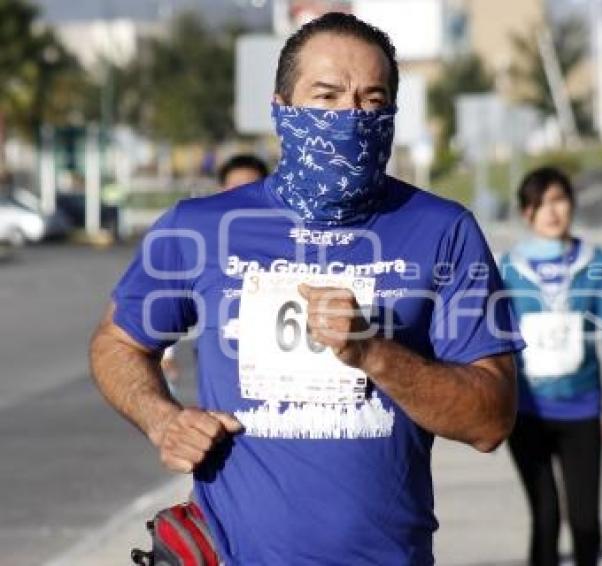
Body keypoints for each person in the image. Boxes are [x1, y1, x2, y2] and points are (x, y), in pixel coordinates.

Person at [89, 12, 524, 565]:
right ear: (281, 108)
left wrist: (373, 352)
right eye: (326, 96)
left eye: (372, 99)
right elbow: (117, 343)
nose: (351, 116)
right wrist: (162, 419)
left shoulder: (443, 230)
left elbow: (491, 421)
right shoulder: (199, 227)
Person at [499, 166, 602, 566]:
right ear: (526, 214)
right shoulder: (506, 268)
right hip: (527, 414)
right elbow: (493, 340)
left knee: (585, 521)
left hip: (582, 409)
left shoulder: (595, 263)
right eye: (540, 204)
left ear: (572, 203)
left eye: (559, 200)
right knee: (546, 516)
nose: (552, 212)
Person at [159, 154, 270, 387]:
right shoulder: (202, 242)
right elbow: (171, 298)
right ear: (221, 190)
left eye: (252, 188)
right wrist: (167, 354)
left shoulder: (284, 238)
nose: (243, 197)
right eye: (235, 189)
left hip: (272, 357)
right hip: (218, 358)